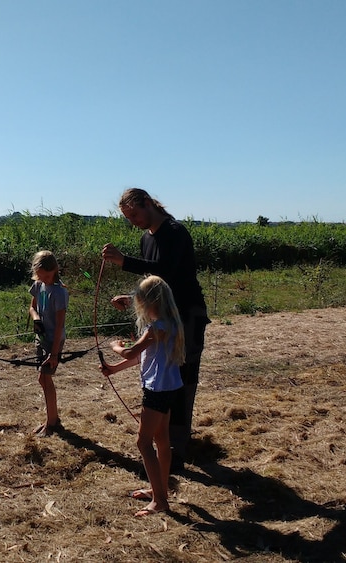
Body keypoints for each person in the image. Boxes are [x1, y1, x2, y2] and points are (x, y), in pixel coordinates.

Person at [102, 187, 209, 470]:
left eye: (135, 214)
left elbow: (167, 271)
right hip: (164, 318)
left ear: (148, 203)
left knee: (182, 379)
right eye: (128, 218)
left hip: (187, 317)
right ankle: (166, 445)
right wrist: (135, 297)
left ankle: (177, 446)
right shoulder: (146, 238)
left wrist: (124, 261)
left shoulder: (175, 232)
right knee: (162, 377)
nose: (133, 221)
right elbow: (155, 283)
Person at [100, 275, 184, 517]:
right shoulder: (168, 324)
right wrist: (113, 369)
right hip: (168, 389)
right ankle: (159, 490)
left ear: (151, 302)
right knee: (161, 440)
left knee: (143, 442)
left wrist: (115, 347)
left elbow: (130, 352)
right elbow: (140, 357)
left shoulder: (157, 328)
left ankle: (160, 501)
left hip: (156, 392)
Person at [28, 250, 68, 437]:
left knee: (45, 378)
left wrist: (54, 353)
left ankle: (52, 422)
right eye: (40, 276)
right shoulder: (38, 285)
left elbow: (60, 325)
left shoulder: (60, 293)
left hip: (54, 341)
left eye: (47, 276)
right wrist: (36, 318)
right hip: (42, 338)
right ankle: (52, 419)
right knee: (42, 378)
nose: (43, 279)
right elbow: (32, 307)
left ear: (55, 270)